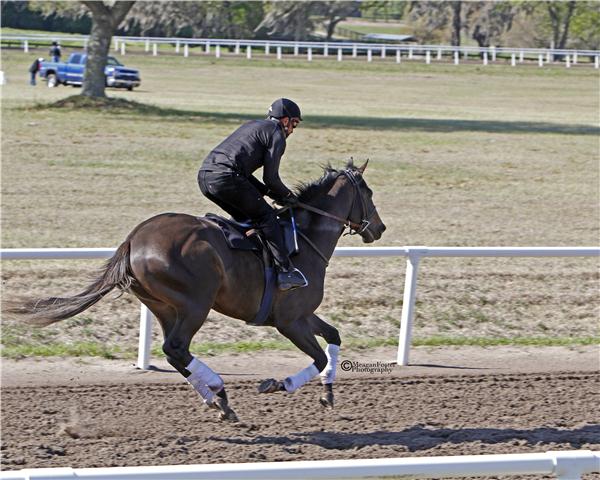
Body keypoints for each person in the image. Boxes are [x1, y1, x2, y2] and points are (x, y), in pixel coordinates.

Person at [198, 98, 308, 291]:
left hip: (205, 178)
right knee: (266, 217)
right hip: (227, 178)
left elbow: (247, 174)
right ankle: (285, 272)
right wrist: (289, 196)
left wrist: (266, 192)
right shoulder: (277, 134)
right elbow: (271, 178)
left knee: (247, 217)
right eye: (294, 125)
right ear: (285, 120)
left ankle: (244, 263)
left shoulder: (253, 125)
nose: (291, 131)